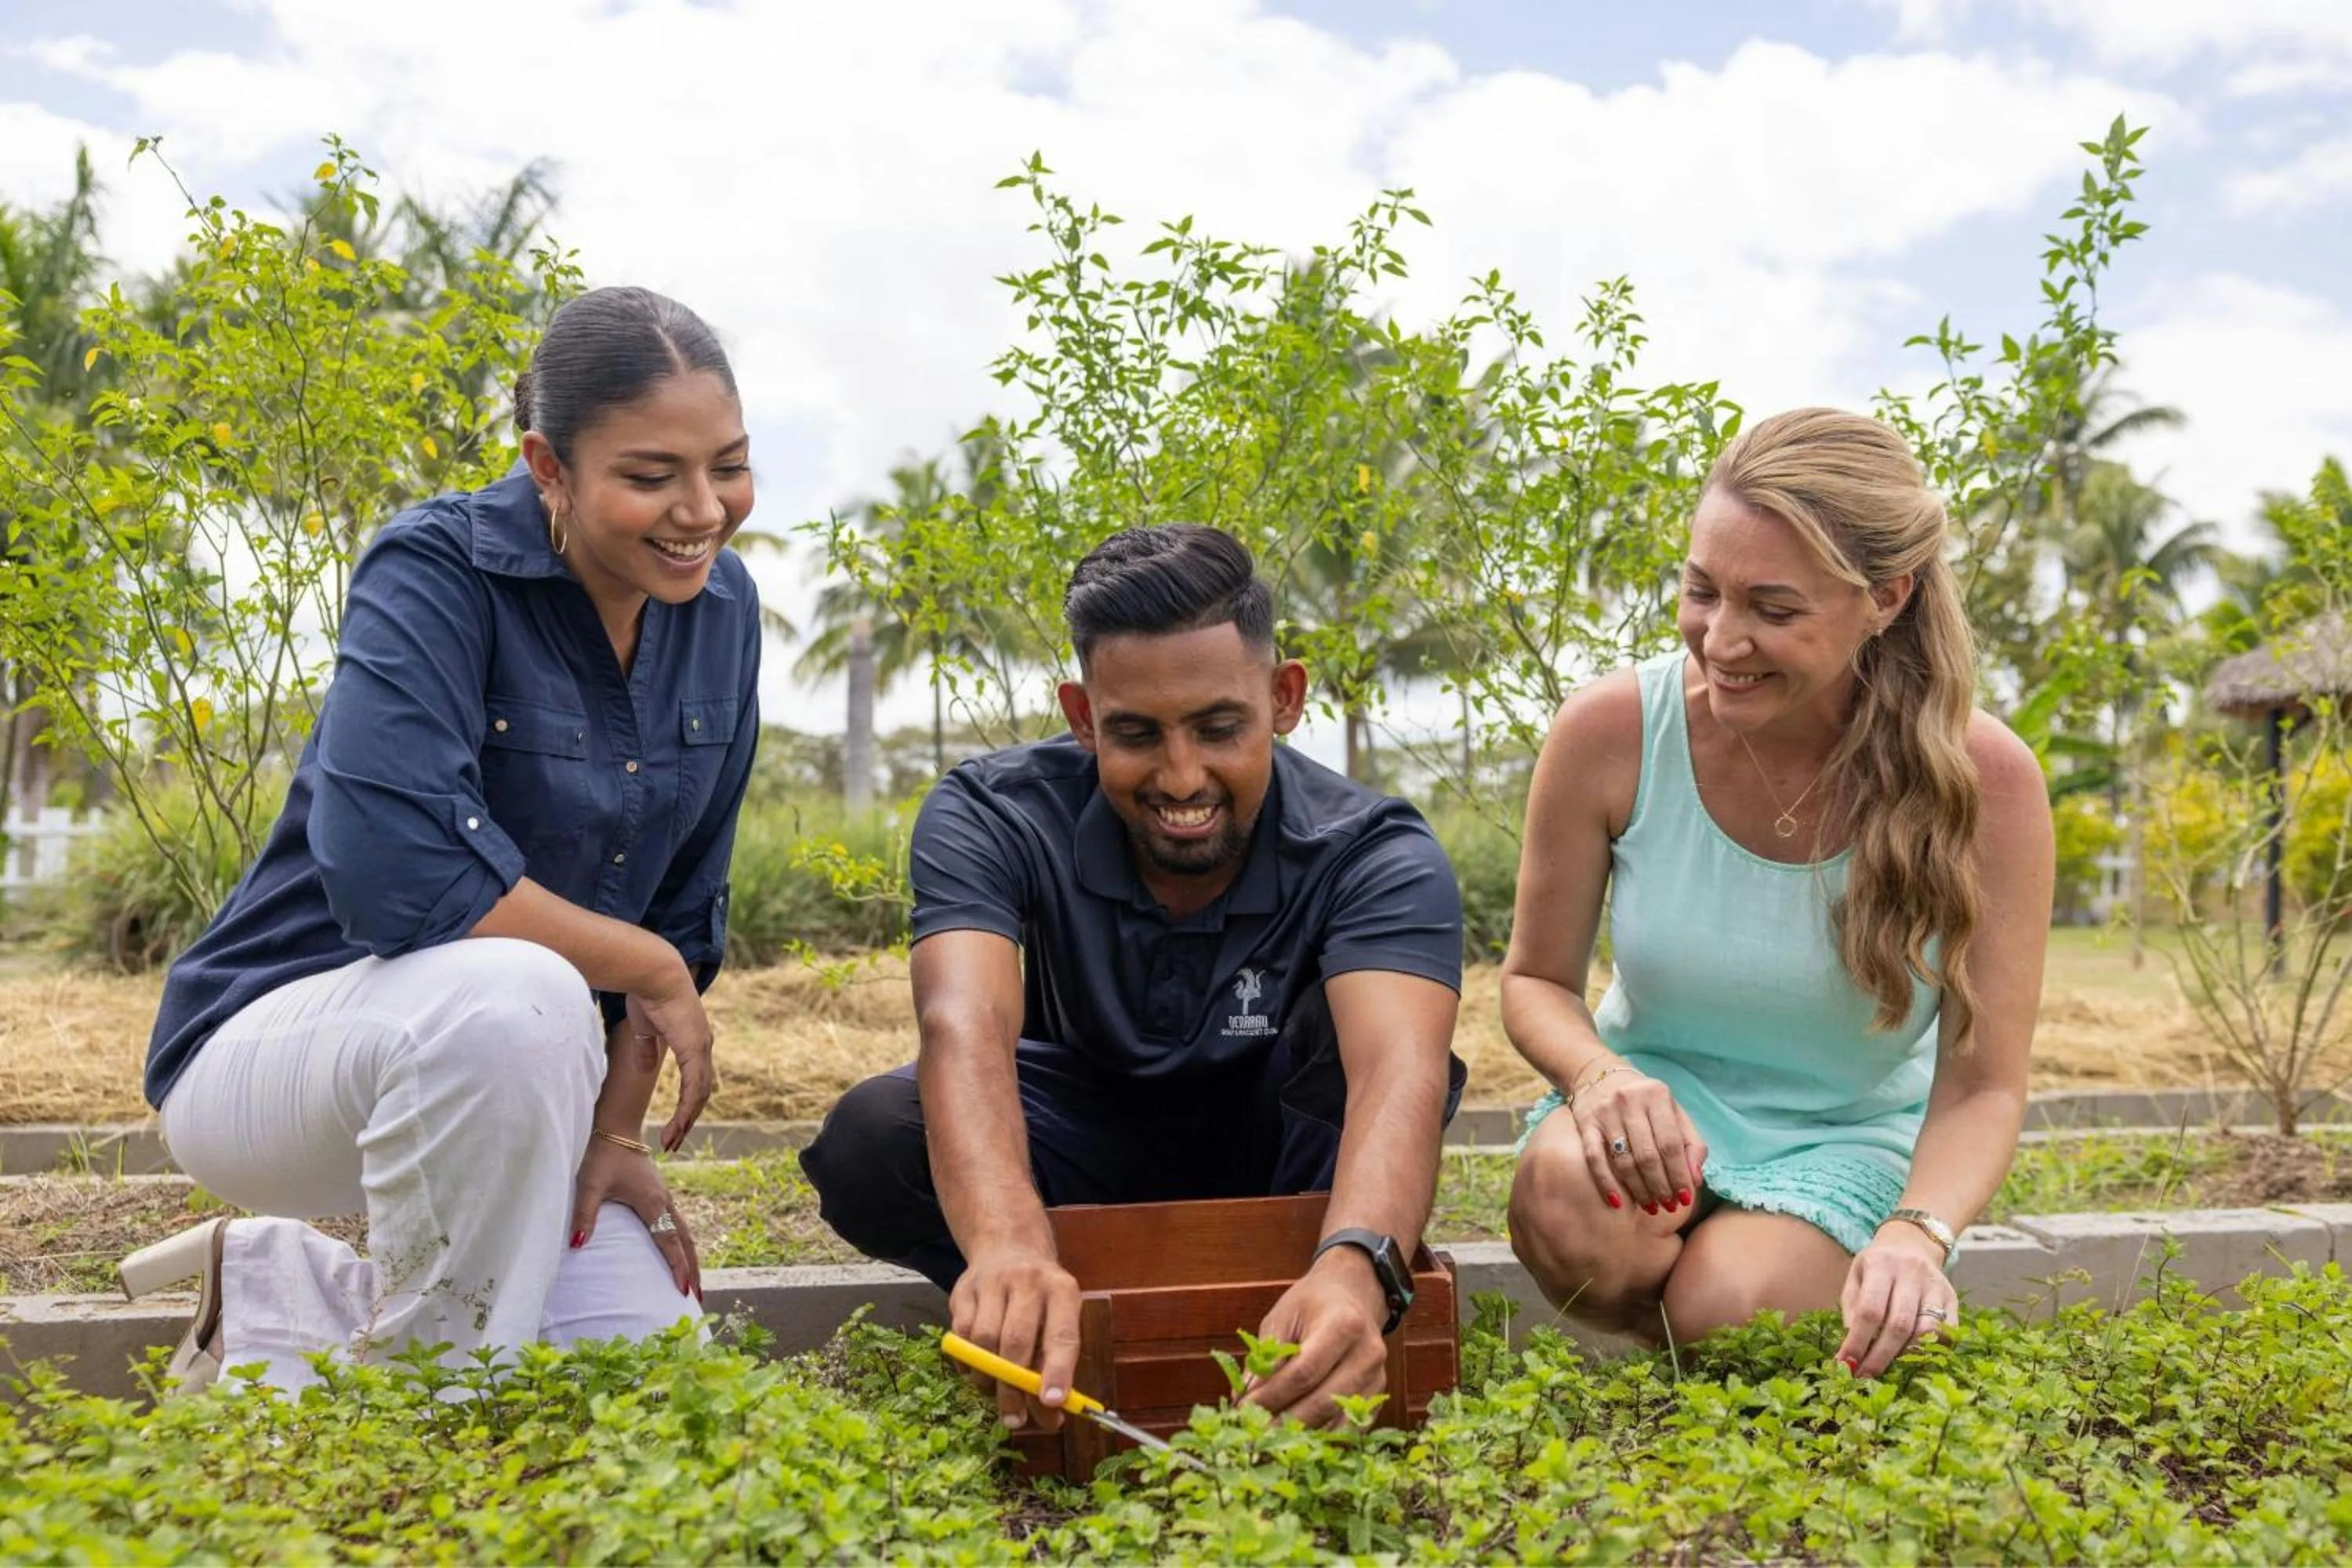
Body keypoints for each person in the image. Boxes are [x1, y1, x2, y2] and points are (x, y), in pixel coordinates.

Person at [123, 286, 762, 1391]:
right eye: (651, 476)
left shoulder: (722, 608)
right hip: (283, 1051)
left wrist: (612, 1136)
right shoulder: (435, 568)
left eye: (729, 466)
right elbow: (397, 879)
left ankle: (273, 1289)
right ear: (547, 467)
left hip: (520, 1076)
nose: (701, 509)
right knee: (517, 992)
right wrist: (644, 965)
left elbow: (678, 909)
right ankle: (424, 1435)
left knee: (644, 1375)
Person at [800, 524, 1466, 1430]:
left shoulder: (1376, 847)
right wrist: (1006, 1241)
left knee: (1358, 1060)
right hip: (1081, 1147)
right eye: (1136, 734)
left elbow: (1401, 1068)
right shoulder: (989, 810)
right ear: (1082, 716)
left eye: (1220, 727)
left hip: (1284, 1165)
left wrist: (1359, 1261)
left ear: (1285, 696)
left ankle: (1320, 1308)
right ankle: (1038, 1299)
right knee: (873, 1135)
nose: (1182, 775)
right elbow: (964, 1024)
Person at [1502, 407, 2054, 1377]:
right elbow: (1535, 981)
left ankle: (1724, 1310)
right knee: (1562, 1200)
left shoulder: (1987, 780)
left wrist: (1917, 1233)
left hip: (1844, 1135)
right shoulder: (1609, 731)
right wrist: (1601, 1078)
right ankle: (1687, 1327)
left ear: (1885, 596)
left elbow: (1983, 1083)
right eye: (1700, 589)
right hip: (1656, 1107)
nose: (1721, 638)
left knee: (1729, 1305)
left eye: (1773, 607)